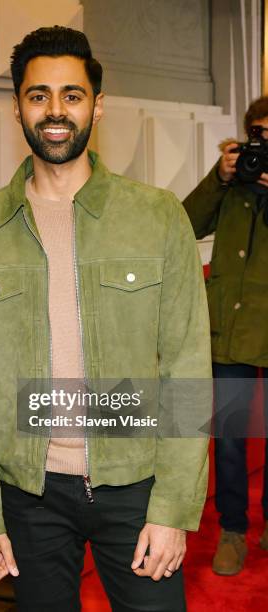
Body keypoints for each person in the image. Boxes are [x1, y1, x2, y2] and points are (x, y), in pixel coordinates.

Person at [0, 26, 211, 611]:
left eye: (72, 94)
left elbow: (188, 368)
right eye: (39, 95)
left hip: (136, 485)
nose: (55, 110)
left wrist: (172, 510)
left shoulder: (158, 216)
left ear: (97, 105)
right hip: (27, 493)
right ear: (17, 106)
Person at [183, 96, 268, 576]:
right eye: (258, 135)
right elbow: (184, 224)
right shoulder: (231, 185)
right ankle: (232, 530)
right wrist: (219, 177)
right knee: (231, 437)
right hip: (231, 331)